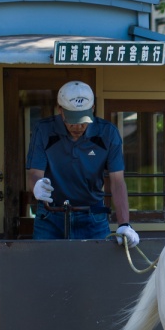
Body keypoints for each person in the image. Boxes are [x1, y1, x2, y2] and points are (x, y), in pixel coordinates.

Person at [26, 80, 139, 245]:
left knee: (97, 269)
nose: (78, 126)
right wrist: (36, 186)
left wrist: (124, 224)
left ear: (92, 109)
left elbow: (117, 181)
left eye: (83, 120)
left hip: (93, 215)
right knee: (45, 268)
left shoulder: (108, 133)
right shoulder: (43, 130)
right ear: (60, 110)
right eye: (72, 119)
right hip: (50, 214)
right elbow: (34, 173)